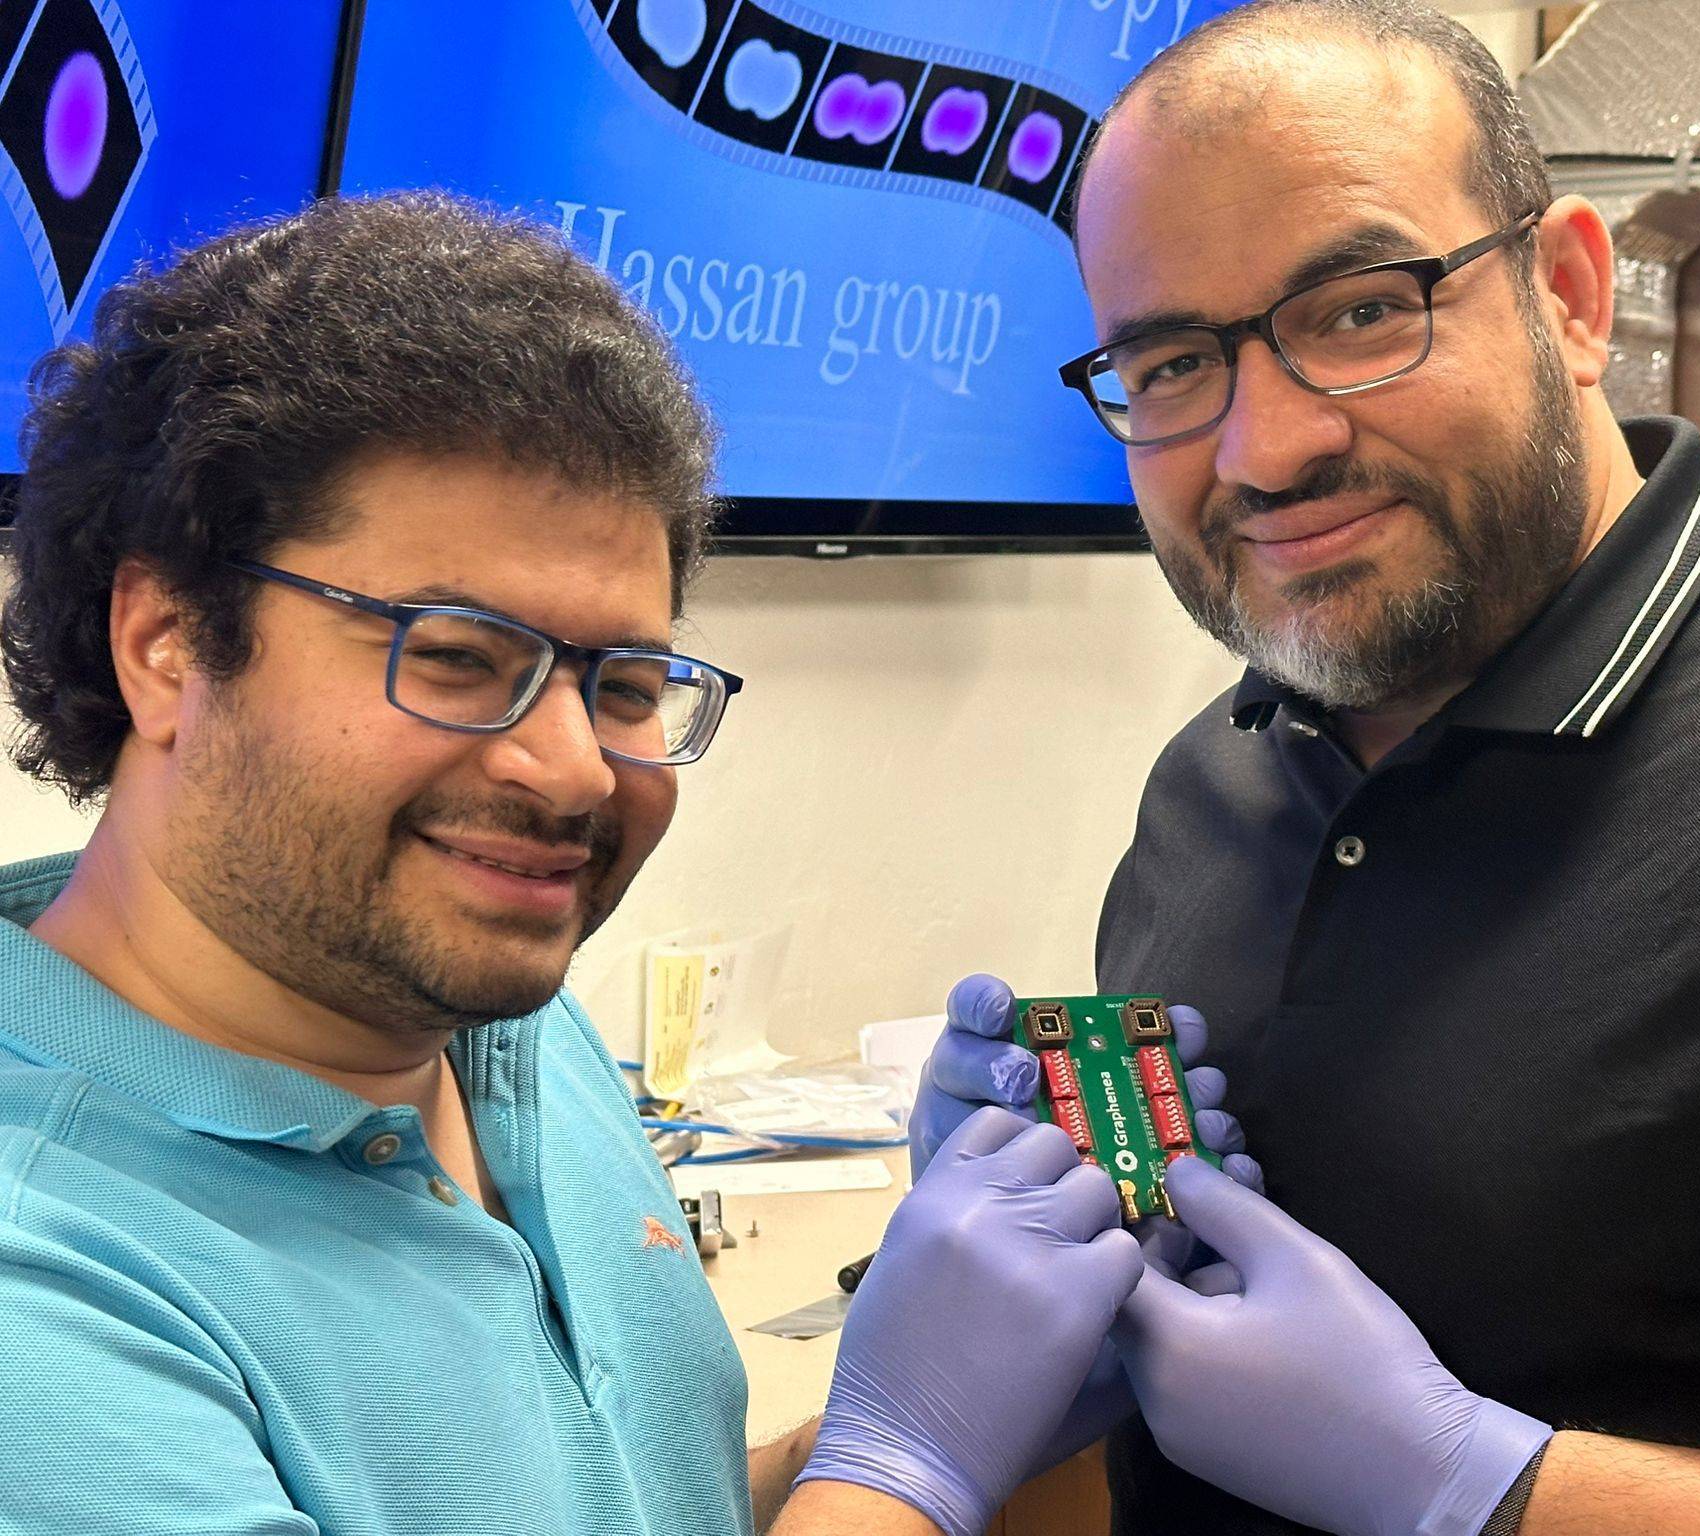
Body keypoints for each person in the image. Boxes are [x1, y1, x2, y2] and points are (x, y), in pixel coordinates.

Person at [914, 1, 1700, 1532]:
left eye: (1359, 312)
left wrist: (1490, 1486)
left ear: (1570, 296)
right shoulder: (1212, 783)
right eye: (1171, 362)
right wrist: (1077, 1263)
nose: (1265, 449)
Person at [0, 193, 1178, 1536]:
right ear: (163, 644)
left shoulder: (503, 1028)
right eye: (456, 657)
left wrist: (965, 1402)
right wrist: (905, 1461)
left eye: (622, 684)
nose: (572, 772)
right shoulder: (43, 1280)